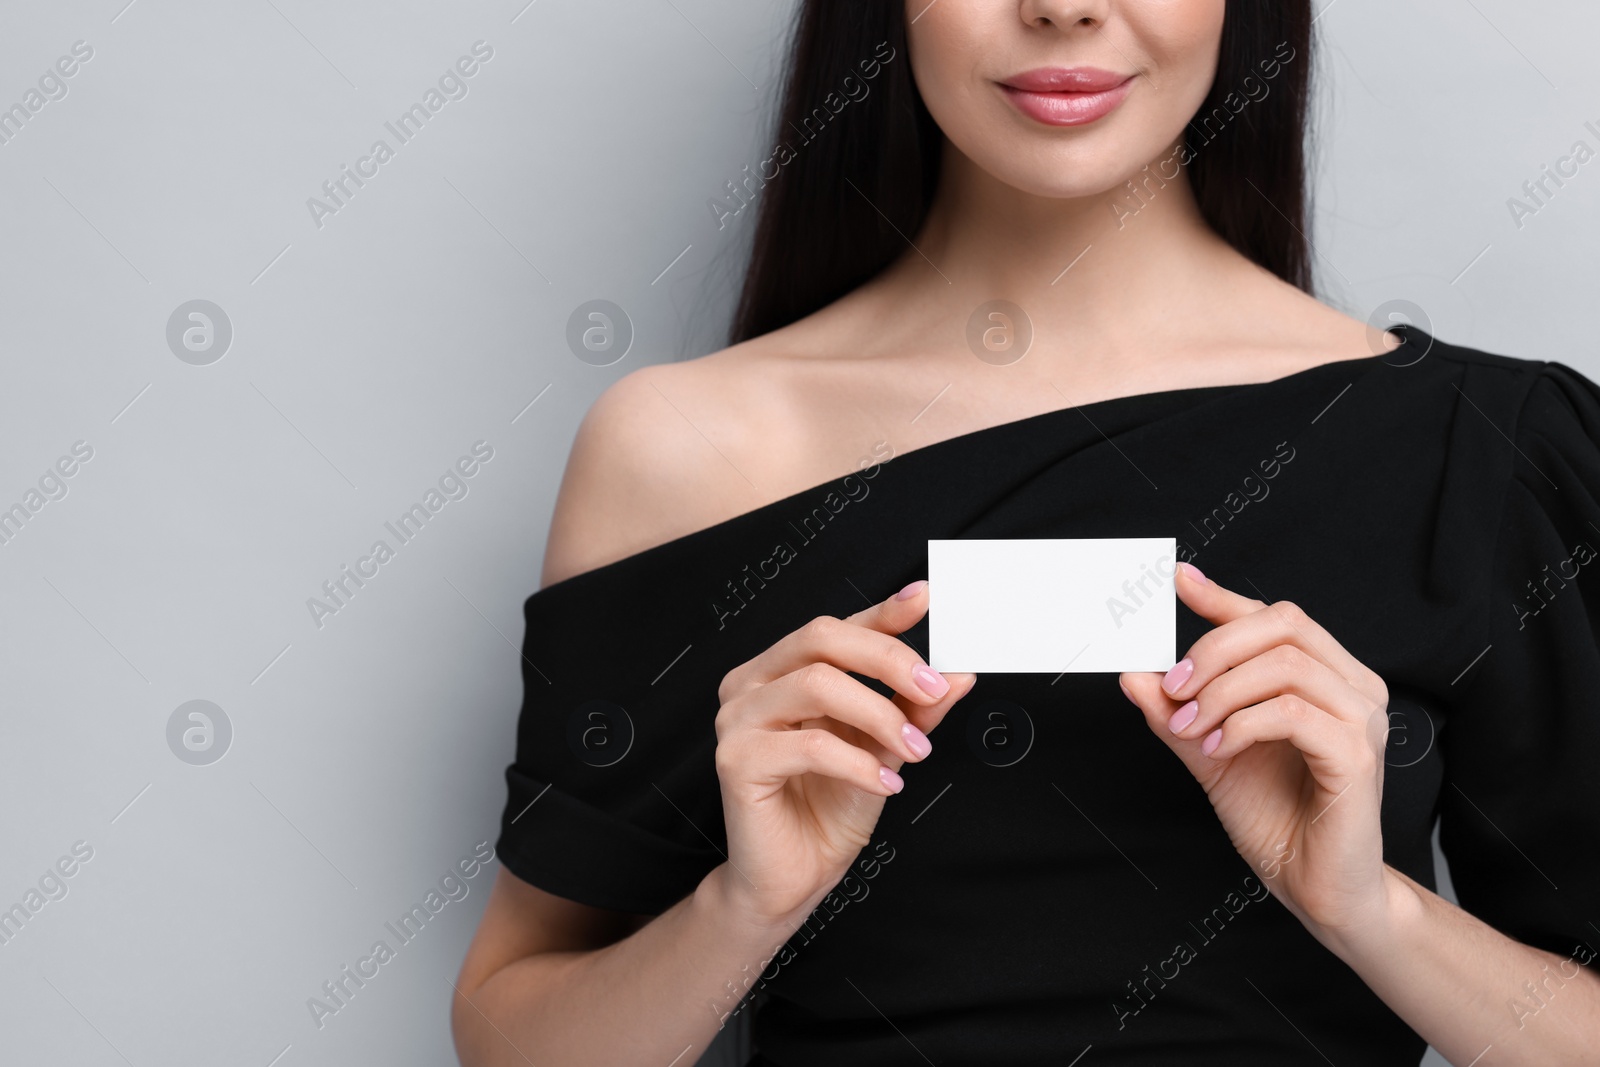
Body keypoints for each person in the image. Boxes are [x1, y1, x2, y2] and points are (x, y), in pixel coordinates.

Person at [453, 2, 1600, 1064]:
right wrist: (739, 907)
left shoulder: (1484, 450)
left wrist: (1372, 907)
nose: (1062, 4)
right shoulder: (687, 449)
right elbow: (513, 1027)